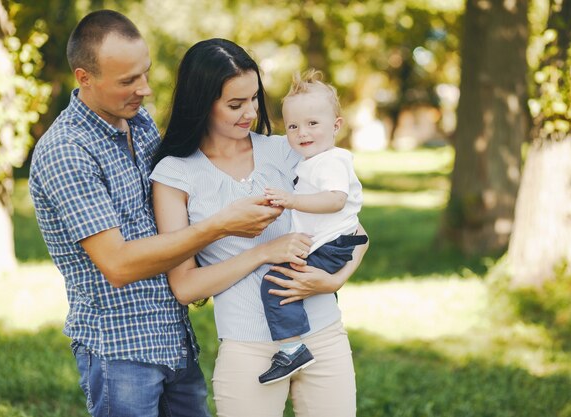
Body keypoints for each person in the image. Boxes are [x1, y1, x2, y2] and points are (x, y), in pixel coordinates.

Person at [28, 11, 286, 417]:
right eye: (128, 81)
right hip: (120, 350)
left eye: (144, 74)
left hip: (173, 338)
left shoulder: (139, 122)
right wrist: (221, 225)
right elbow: (117, 264)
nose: (144, 90)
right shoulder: (67, 151)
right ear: (84, 78)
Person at [150, 38, 368, 417]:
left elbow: (356, 232)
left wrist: (334, 281)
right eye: (235, 104)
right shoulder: (175, 174)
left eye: (254, 99)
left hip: (325, 334)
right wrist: (263, 252)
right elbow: (185, 287)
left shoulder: (287, 150)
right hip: (248, 348)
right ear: (202, 103)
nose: (249, 112)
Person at [259, 69, 368, 385]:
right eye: (293, 126)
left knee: (276, 283)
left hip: (334, 244)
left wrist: (290, 201)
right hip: (331, 242)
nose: (302, 133)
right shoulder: (313, 160)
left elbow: (334, 200)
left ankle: (293, 348)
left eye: (312, 124)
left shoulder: (331, 161)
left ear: (336, 126)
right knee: (287, 277)